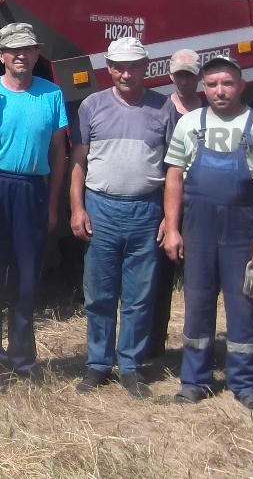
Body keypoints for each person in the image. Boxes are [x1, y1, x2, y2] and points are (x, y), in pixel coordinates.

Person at [161, 56, 253, 412]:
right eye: (213, 84)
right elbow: (174, 177)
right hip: (198, 228)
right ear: (204, 87)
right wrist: (172, 228)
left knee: (244, 304)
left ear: (241, 85)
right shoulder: (189, 123)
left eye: (227, 83)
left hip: (244, 229)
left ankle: (247, 384)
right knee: (197, 304)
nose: (220, 90)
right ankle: (194, 381)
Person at [69, 37, 175, 398]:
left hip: (147, 210)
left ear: (146, 66)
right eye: (118, 66)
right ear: (108, 68)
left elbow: (175, 169)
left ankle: (131, 366)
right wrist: (77, 208)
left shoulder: (165, 108)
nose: (125, 73)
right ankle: (98, 364)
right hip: (102, 208)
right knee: (98, 293)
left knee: (139, 296)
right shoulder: (91, 106)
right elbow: (78, 162)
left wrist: (170, 217)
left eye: (133, 66)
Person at [0, 23, 69, 383]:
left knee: (26, 280)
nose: (21, 56)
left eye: (28, 49)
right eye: (13, 50)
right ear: (1, 56)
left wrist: (52, 203)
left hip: (32, 189)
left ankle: (23, 358)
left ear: (36, 53)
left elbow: (59, 152)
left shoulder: (52, 94)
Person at [147, 47, 203, 359]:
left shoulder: (207, 113)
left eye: (190, 75)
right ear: (170, 75)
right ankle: (153, 346)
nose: (184, 80)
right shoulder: (159, 108)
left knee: (196, 280)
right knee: (158, 280)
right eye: (179, 74)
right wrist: (167, 217)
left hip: (196, 203)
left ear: (199, 78)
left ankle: (195, 347)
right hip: (163, 204)